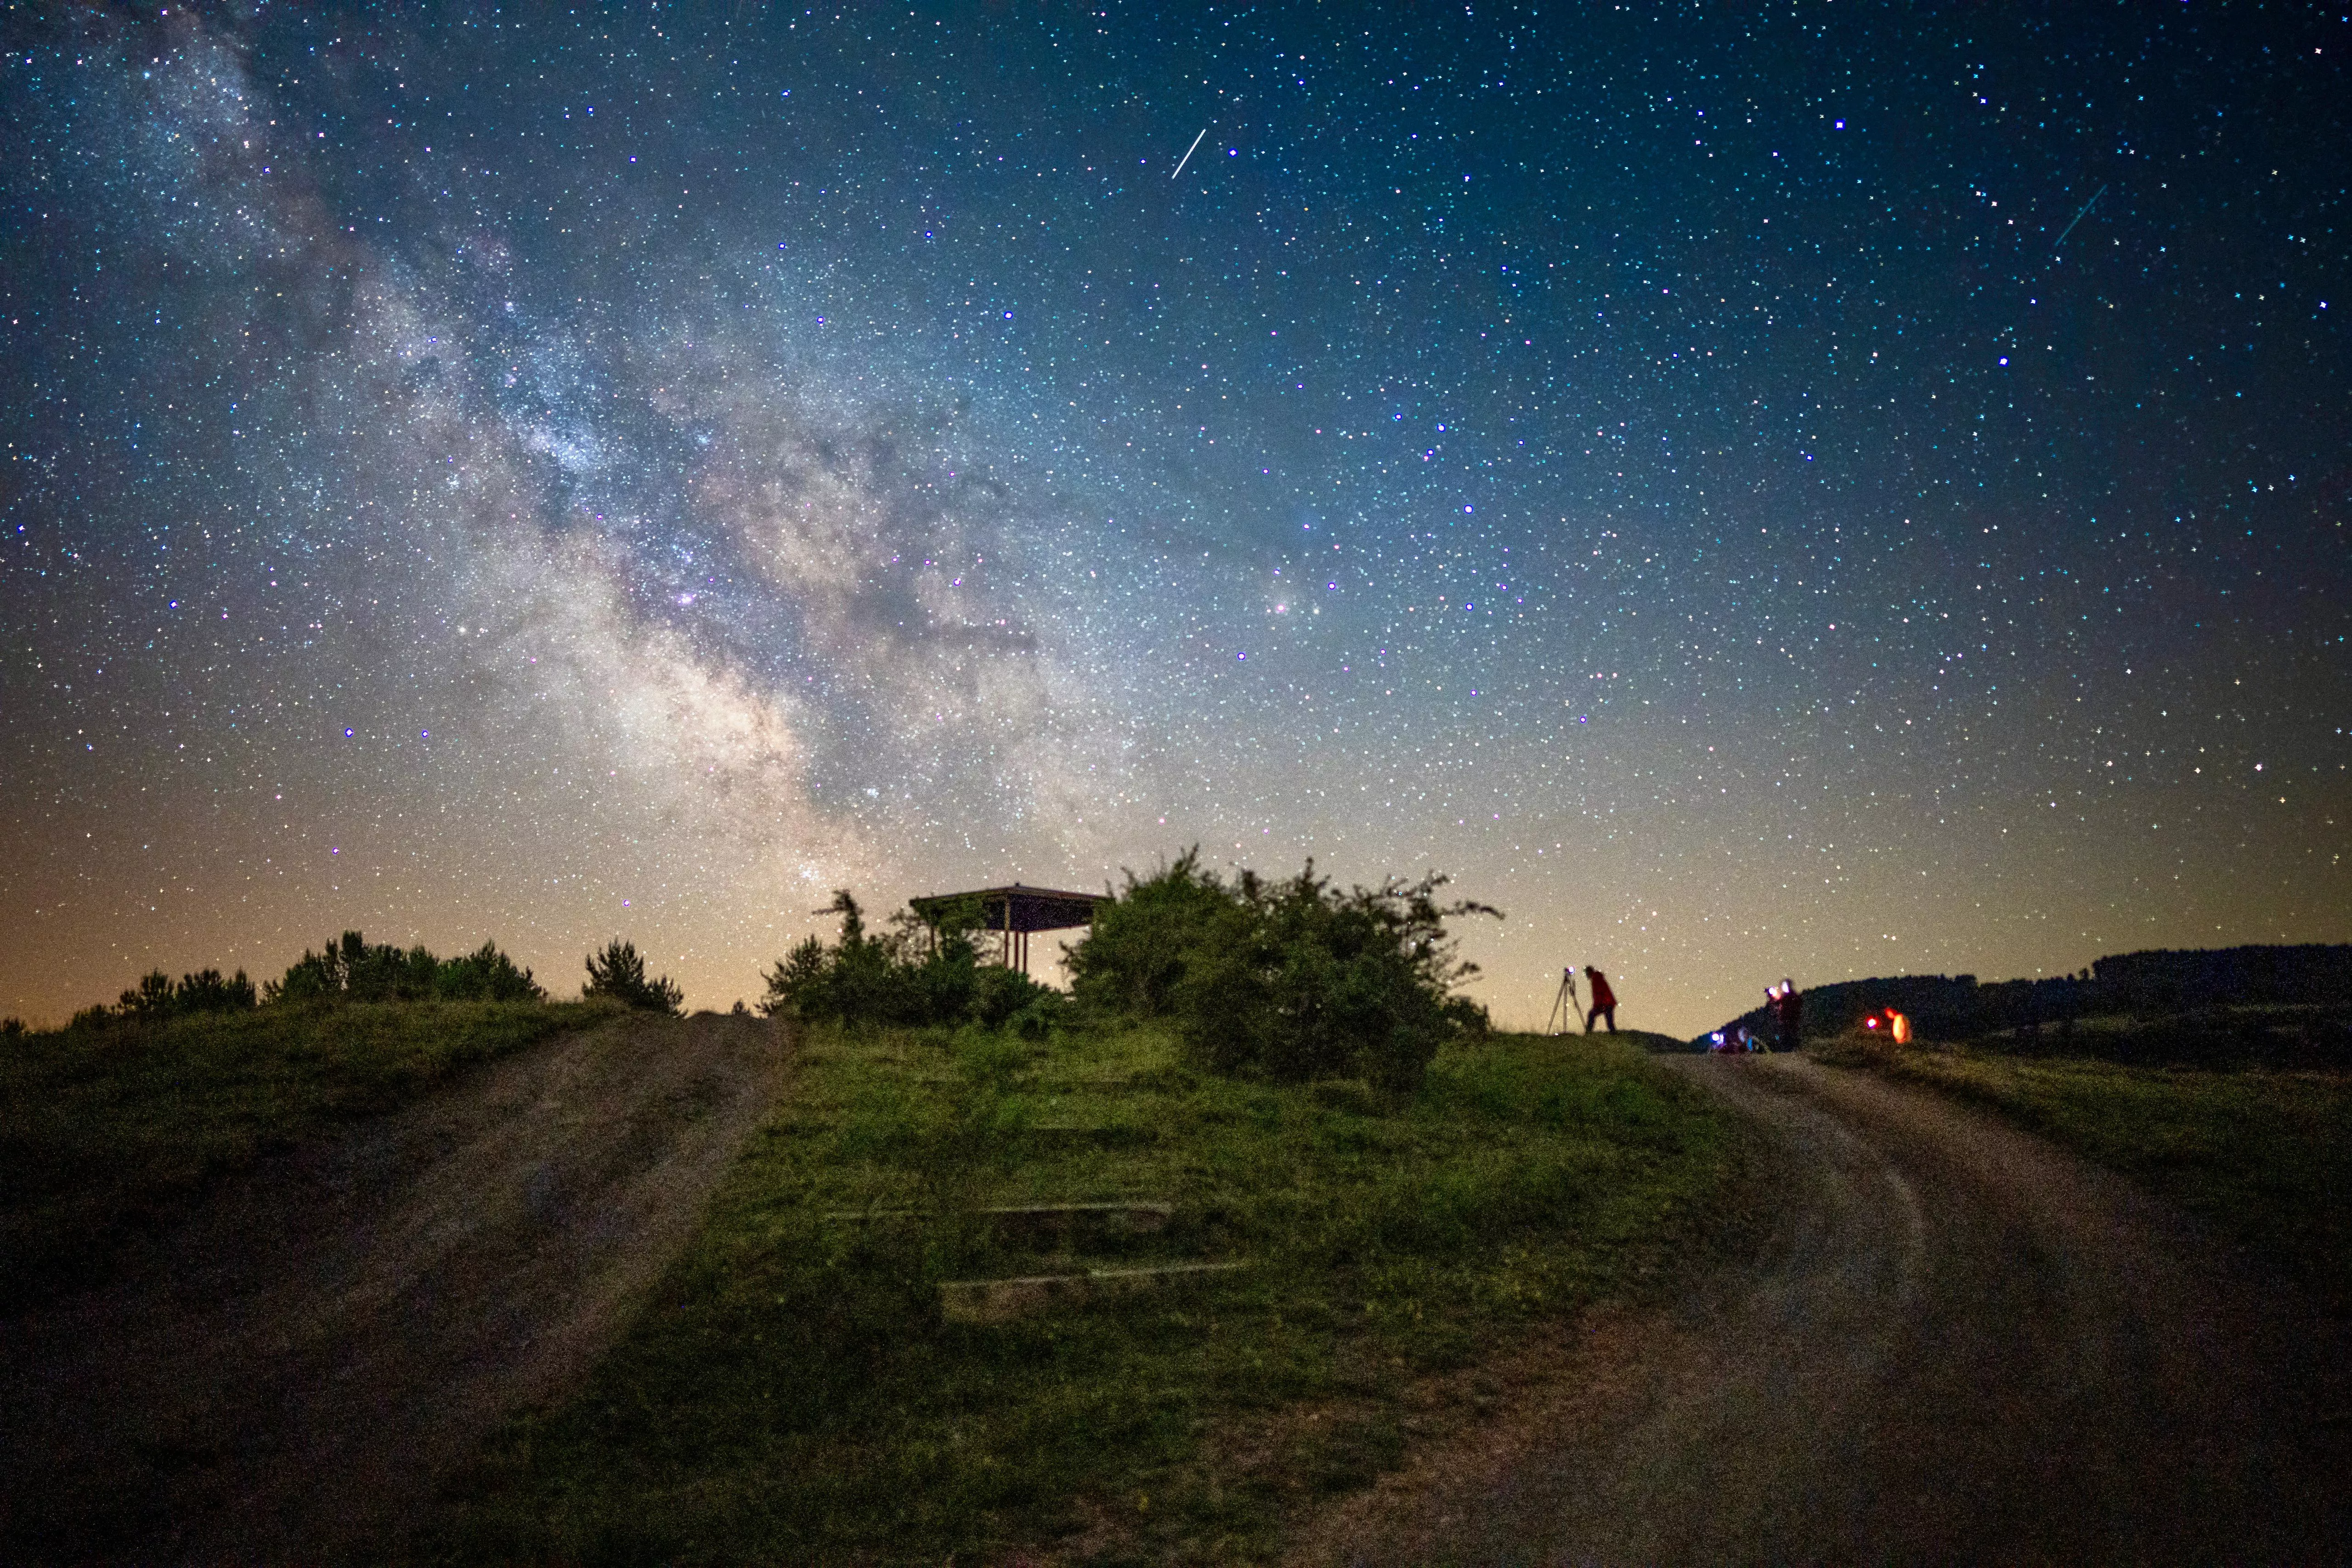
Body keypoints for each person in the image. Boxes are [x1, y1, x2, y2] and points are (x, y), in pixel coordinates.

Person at [1771, 979, 1803, 1052]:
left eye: (1784, 985)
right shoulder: (1784, 996)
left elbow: (1795, 1007)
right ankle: (1788, 1050)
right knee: (1786, 1037)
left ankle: (1793, 1050)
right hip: (1785, 1021)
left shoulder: (1793, 996)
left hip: (1791, 1020)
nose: (1782, 987)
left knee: (1791, 1037)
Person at [1583, 965, 1617, 1033]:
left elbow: (1599, 993)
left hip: (1605, 1003)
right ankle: (1613, 1033)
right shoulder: (1597, 978)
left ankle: (1589, 1031)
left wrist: (1597, 1005)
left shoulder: (1596, 979)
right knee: (1609, 1019)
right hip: (1608, 1002)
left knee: (1592, 1014)